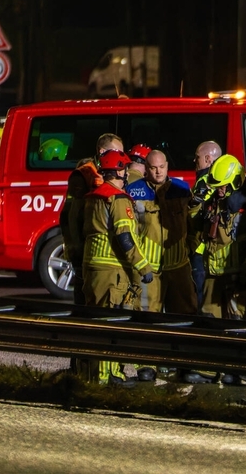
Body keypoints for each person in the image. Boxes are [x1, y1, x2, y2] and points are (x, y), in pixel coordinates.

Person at [82, 149, 154, 385]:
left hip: (92, 268)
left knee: (95, 322)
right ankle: (109, 376)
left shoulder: (93, 196)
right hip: (113, 270)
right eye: (124, 169)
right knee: (111, 324)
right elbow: (125, 237)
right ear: (119, 171)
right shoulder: (118, 198)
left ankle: (95, 375)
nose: (126, 174)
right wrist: (143, 267)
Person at [191, 154, 246, 321]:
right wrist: (196, 203)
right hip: (212, 279)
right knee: (208, 322)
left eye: (223, 187)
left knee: (237, 326)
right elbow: (196, 226)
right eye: (217, 187)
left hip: (238, 279)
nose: (219, 190)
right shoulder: (215, 201)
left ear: (236, 183)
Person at [128, 150, 196, 315]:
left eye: (161, 167)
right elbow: (128, 229)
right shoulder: (133, 191)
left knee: (185, 316)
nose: (158, 171)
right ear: (146, 168)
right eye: (153, 168)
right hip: (148, 268)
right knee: (145, 317)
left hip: (178, 266)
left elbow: (192, 223)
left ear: (167, 166)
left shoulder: (182, 189)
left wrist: (191, 247)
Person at [61, 133, 124, 306]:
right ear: (102, 151)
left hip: (104, 249)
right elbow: (72, 216)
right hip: (85, 246)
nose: (121, 157)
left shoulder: (112, 170)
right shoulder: (84, 173)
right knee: (85, 296)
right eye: (117, 151)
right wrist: (76, 249)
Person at [189, 140, 223, 310]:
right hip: (213, 248)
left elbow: (194, 216)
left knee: (200, 294)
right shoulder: (220, 178)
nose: (195, 161)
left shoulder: (204, 180)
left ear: (209, 159)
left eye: (197, 158)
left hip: (201, 247)